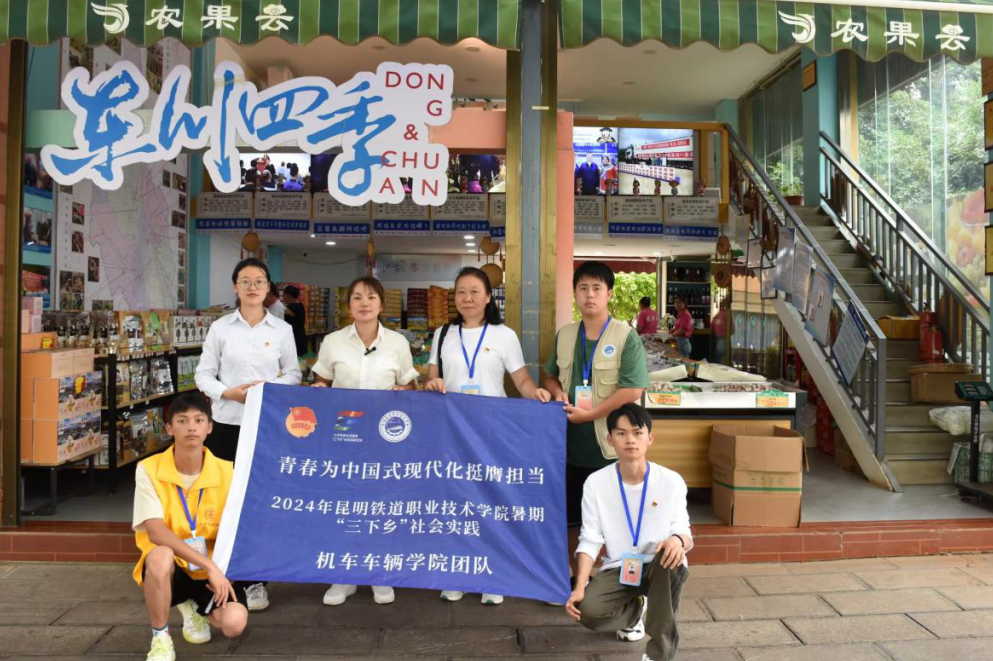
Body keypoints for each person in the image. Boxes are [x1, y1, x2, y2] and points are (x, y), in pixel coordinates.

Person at [424, 267, 552, 605]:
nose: (467, 298)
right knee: (455, 502)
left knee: (491, 503)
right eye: (461, 292)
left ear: (487, 297)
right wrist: (432, 383)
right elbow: (431, 378)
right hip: (452, 430)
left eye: (474, 291)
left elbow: (521, 381)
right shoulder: (442, 334)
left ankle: (491, 575)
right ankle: (457, 574)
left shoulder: (503, 335)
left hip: (492, 431)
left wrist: (536, 394)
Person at [194, 258, 301, 613]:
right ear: (235, 287)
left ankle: (256, 581)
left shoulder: (281, 330)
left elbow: (294, 373)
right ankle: (222, 575)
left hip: (266, 426)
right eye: (245, 281)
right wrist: (227, 393)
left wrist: (266, 390)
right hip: (226, 425)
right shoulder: (221, 328)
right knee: (224, 500)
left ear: (268, 288)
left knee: (260, 500)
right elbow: (203, 374)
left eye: (259, 281)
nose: (252, 287)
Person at [314, 276, 418, 607]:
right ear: (349, 306)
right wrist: (318, 390)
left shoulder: (397, 343)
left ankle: (379, 572)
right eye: (357, 297)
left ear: (381, 304)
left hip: (385, 434)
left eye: (371, 297)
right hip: (345, 430)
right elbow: (322, 380)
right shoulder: (333, 341)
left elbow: (409, 385)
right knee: (344, 502)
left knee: (380, 502)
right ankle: (342, 576)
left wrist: (404, 391)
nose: (364, 303)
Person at [543, 261, 649, 581]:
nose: (589, 295)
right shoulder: (565, 335)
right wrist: (557, 392)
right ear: (575, 293)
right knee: (572, 518)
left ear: (609, 294)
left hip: (610, 446)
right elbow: (549, 375)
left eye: (596, 288)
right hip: (568, 446)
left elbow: (633, 389)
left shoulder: (625, 336)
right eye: (583, 288)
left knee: (615, 518)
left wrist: (590, 414)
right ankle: (578, 577)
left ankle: (618, 581)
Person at [565, 403, 692, 661]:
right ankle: (635, 610)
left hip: (660, 565)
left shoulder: (671, 480)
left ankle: (659, 655)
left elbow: (684, 531)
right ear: (610, 439)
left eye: (637, 432)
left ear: (650, 438)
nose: (630, 440)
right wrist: (580, 586)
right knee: (587, 611)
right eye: (621, 433)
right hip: (620, 567)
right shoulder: (596, 483)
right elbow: (590, 539)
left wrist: (677, 540)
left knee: (670, 558)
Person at [133, 392, 251, 661]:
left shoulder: (228, 471)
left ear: (210, 427)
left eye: (199, 420)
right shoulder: (148, 469)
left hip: (213, 567)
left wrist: (223, 571)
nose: (191, 427)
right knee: (160, 555)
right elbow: (155, 531)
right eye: (182, 421)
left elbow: (240, 531)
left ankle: (194, 608)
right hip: (175, 565)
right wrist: (208, 566)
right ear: (169, 428)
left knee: (234, 624)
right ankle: (161, 638)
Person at [282, 285, 308, 356]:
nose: (283, 298)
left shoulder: (293, 307)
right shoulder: (300, 305)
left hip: (295, 341)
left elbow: (281, 311)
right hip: (300, 339)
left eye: (284, 295)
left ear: (288, 295)